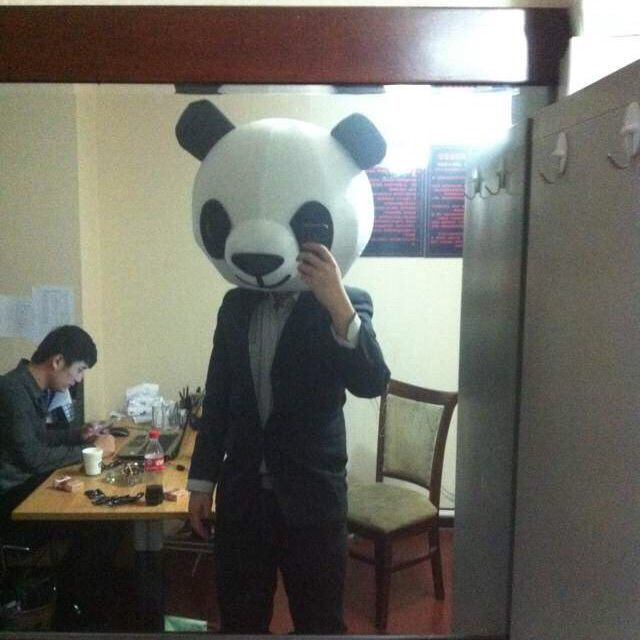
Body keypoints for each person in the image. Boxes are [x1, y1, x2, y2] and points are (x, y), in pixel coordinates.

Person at [188, 243, 390, 634]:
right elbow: (218, 398)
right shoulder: (235, 305)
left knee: (320, 624)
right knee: (240, 623)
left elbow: (371, 382)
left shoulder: (346, 301)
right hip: (243, 498)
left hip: (313, 499)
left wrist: (337, 301)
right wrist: (201, 481)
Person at [0, 324, 117, 630]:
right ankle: (71, 612)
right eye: (79, 370)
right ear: (57, 361)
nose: (78, 379)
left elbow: (39, 439)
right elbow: (34, 457)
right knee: (95, 524)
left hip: (25, 487)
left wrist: (79, 434)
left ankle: (78, 604)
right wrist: (93, 451)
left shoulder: (30, 387)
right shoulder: (12, 391)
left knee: (101, 519)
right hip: (10, 502)